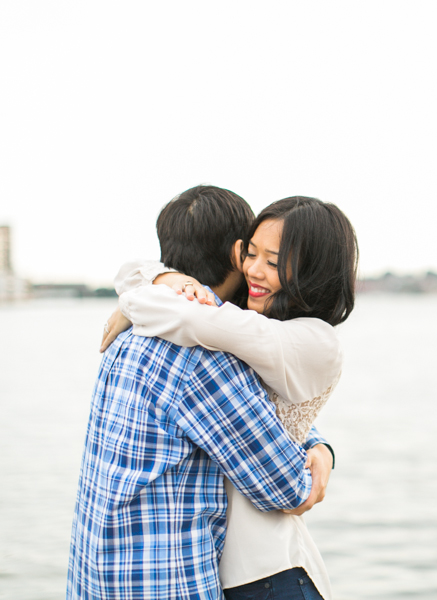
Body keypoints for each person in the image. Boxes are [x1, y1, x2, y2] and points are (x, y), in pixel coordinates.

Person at [67, 186, 335, 600]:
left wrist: (147, 285)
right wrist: (318, 458)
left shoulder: (130, 333)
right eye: (251, 253)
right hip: (164, 584)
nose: (255, 267)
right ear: (236, 253)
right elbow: (284, 487)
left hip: (93, 577)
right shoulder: (203, 357)